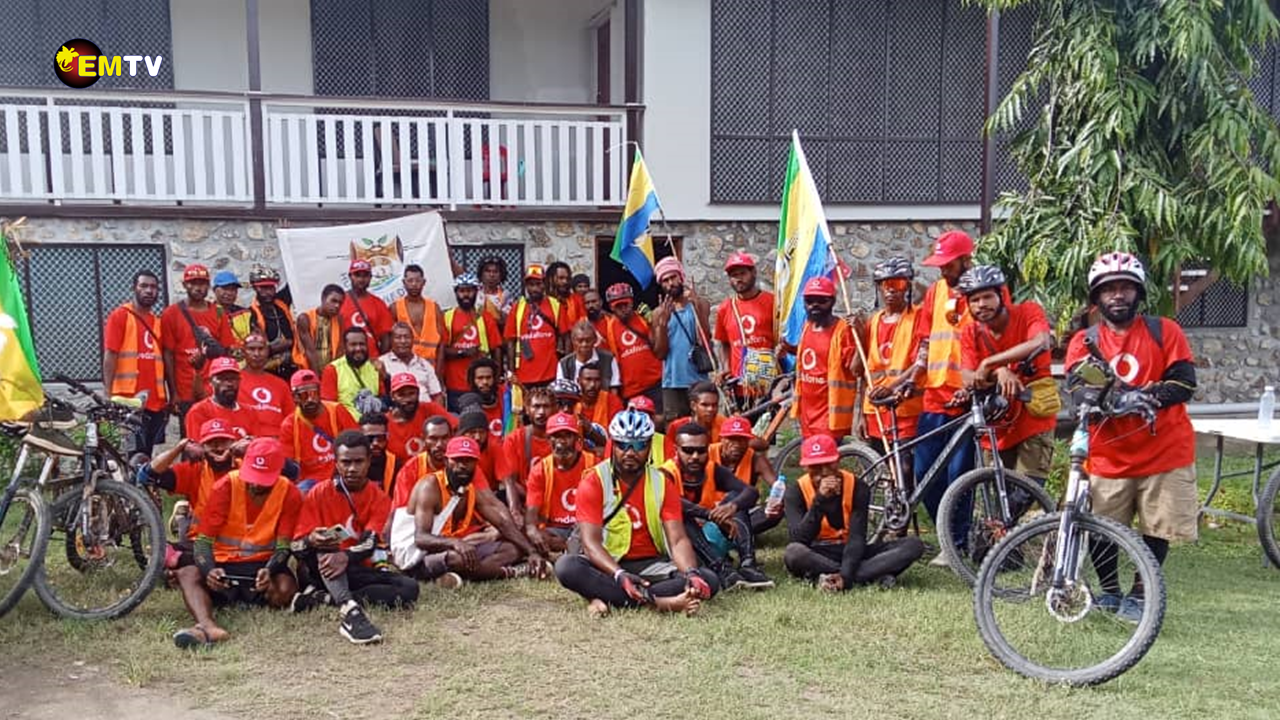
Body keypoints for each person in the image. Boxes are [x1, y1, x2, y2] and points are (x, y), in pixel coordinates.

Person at [1065, 251, 1198, 623]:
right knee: (1104, 528)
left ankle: (1141, 590)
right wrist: (1112, 399)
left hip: (1164, 450)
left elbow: (1184, 383)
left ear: (1138, 293)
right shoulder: (1084, 341)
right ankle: (1109, 590)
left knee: (1158, 527)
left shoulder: (1164, 331)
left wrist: (1149, 395)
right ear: (1097, 297)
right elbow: (1076, 389)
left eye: (1125, 287)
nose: (1118, 295)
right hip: (1108, 453)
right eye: (1109, 289)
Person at [553, 409, 719, 616]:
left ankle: (608, 597)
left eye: (639, 445)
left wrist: (692, 574)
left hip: (651, 564)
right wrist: (620, 575)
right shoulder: (594, 481)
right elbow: (591, 544)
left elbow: (677, 540)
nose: (630, 452)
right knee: (566, 567)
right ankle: (660, 603)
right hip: (608, 565)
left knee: (708, 580)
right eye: (623, 444)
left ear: (649, 446)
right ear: (613, 445)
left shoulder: (662, 483)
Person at [884, 230, 976, 566]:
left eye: (948, 264)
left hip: (968, 399)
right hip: (935, 396)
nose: (942, 270)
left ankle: (957, 542)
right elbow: (925, 342)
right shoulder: (937, 292)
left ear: (966, 259)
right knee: (924, 472)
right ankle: (947, 534)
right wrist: (912, 377)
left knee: (960, 475)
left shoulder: (983, 292)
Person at [171, 438, 302, 649]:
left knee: (286, 588)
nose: (256, 484)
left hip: (260, 568)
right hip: (223, 565)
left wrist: (270, 570)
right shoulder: (225, 486)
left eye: (264, 480)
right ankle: (207, 626)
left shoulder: (290, 493)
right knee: (187, 574)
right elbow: (203, 542)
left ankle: (244, 599)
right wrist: (209, 570)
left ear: (279, 472)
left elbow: (283, 547)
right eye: (253, 477)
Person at [291, 431, 419, 645]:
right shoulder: (318, 493)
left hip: (354, 566)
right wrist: (311, 540)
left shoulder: (378, 497)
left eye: (358, 461)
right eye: (346, 462)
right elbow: (296, 547)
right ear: (336, 463)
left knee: (409, 588)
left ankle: (321, 599)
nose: (352, 468)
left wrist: (345, 557)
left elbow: (370, 543)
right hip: (318, 568)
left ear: (369, 461)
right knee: (326, 545)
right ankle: (350, 612)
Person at [390, 436, 548, 586]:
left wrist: (531, 551)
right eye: (457, 460)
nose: (463, 466)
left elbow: (502, 524)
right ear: (446, 461)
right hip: (416, 556)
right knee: (459, 558)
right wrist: (455, 543)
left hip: (444, 548)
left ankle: (457, 574)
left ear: (477, 463)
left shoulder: (470, 489)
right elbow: (421, 539)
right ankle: (512, 572)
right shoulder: (429, 486)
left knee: (513, 549)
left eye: (469, 461)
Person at [783, 435, 924, 590]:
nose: (823, 473)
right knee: (794, 553)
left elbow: (857, 538)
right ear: (805, 468)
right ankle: (868, 575)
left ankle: (835, 577)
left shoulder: (858, 487)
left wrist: (846, 574)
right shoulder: (795, 492)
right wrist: (819, 501)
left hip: (852, 550)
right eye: (815, 467)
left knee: (913, 545)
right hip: (818, 552)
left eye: (828, 465)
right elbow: (798, 538)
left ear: (837, 462)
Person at [958, 265, 1055, 488]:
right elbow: (968, 377)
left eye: (987, 297)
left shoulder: (1028, 312)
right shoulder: (970, 332)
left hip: (1033, 419)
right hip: (996, 426)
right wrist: (1001, 371)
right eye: (974, 300)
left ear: (1001, 295)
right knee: (1001, 497)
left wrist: (990, 363)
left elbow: (1041, 341)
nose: (981, 304)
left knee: (1027, 491)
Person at [663, 422, 772, 589]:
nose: (694, 456)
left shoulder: (711, 469)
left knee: (735, 498)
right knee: (679, 515)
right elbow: (672, 502)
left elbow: (751, 492)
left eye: (701, 450)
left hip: (710, 538)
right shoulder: (665, 473)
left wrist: (732, 507)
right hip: (679, 548)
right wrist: (710, 514)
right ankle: (723, 570)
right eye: (688, 450)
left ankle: (748, 565)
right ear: (676, 449)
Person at [141, 419, 242, 562]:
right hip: (201, 544)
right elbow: (147, 475)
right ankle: (183, 519)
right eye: (212, 443)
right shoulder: (196, 469)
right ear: (202, 447)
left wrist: (252, 448)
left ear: (234, 444)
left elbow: (282, 469)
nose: (219, 448)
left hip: (240, 548)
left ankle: (182, 519)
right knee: (162, 555)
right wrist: (180, 447)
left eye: (224, 442)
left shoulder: (249, 468)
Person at [858, 257, 924, 456]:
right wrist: (860, 414)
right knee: (884, 464)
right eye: (885, 284)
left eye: (898, 283)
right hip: (875, 409)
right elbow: (864, 371)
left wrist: (891, 387)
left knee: (905, 465)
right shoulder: (873, 322)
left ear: (908, 286)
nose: (891, 289)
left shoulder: (918, 318)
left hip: (905, 407)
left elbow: (921, 361)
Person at [777, 277, 857, 440]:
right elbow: (810, 354)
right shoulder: (808, 326)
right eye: (809, 300)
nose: (815, 305)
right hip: (808, 412)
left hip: (829, 414)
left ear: (833, 302)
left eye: (821, 300)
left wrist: (860, 335)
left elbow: (855, 369)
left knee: (825, 462)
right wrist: (788, 349)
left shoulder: (842, 331)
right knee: (811, 461)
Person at [161, 263, 236, 436]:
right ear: (184, 285)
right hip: (186, 391)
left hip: (214, 390)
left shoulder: (218, 312)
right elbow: (168, 355)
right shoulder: (171, 314)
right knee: (191, 441)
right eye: (192, 283)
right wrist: (173, 393)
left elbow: (227, 350)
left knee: (219, 437)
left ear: (208, 286)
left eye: (202, 283)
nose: (197, 287)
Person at [103, 270, 169, 456]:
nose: (149, 291)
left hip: (154, 402)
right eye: (144, 286)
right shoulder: (121, 316)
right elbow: (111, 354)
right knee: (129, 455)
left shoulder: (158, 323)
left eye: (154, 287)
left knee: (145, 456)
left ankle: (141, 486)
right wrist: (108, 393)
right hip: (128, 400)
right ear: (134, 289)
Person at [650, 257, 713, 423]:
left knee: (703, 426)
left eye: (673, 277)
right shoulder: (658, 313)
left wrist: (697, 306)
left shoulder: (701, 304)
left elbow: (705, 339)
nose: (670, 283)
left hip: (698, 381)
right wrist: (662, 325)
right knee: (675, 429)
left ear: (681, 277)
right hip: (672, 382)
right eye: (665, 280)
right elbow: (660, 353)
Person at [524, 413, 596, 554]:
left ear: (576, 439)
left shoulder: (593, 464)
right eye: (556, 436)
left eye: (567, 436)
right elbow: (531, 517)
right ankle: (573, 548)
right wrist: (532, 531)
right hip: (556, 530)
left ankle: (573, 549)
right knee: (538, 536)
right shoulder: (540, 470)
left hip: (585, 525)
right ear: (548, 439)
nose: (561, 442)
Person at [280, 369, 359, 491]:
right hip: (310, 481)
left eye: (314, 394)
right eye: (304, 395)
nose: (310, 400)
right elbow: (291, 466)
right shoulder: (290, 424)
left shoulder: (337, 411)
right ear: (294, 397)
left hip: (342, 474)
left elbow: (357, 442)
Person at [713, 251, 776, 396]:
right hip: (739, 385)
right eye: (734, 276)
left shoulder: (772, 302)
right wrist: (726, 369)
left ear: (753, 273)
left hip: (768, 384)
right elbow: (723, 343)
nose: (738, 279)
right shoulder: (725, 308)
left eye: (742, 273)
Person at [442, 273, 503, 411]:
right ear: (456, 293)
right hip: (455, 384)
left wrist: (497, 377)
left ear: (476, 292)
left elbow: (496, 348)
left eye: (469, 291)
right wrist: (463, 352)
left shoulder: (485, 317)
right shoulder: (447, 317)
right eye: (462, 291)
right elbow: (442, 350)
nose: (466, 295)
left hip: (483, 385)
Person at [710, 416, 780, 534]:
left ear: (749, 441)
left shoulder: (756, 459)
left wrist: (775, 501)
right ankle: (739, 533)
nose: (736, 445)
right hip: (709, 513)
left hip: (740, 512)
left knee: (775, 513)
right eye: (731, 439)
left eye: (741, 440)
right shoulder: (707, 454)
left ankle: (738, 532)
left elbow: (777, 486)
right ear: (722, 439)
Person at [504, 265, 571, 389]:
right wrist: (511, 372)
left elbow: (567, 337)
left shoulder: (555, 306)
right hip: (523, 376)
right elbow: (510, 342)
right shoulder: (517, 308)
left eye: (538, 284)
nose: (534, 288)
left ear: (544, 284)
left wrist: (565, 370)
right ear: (526, 286)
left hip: (551, 373)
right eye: (531, 284)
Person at [601, 283, 663, 409]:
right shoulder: (609, 327)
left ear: (632, 302)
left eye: (626, 304)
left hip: (656, 382)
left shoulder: (642, 318)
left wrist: (653, 323)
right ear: (612, 308)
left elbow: (656, 343)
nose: (623, 309)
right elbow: (613, 359)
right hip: (631, 390)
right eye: (618, 306)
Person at [498, 386, 555, 520]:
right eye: (536, 406)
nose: (541, 412)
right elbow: (510, 481)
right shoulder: (514, 439)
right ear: (527, 409)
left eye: (546, 406)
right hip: (525, 500)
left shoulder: (563, 437)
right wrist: (516, 510)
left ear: (554, 409)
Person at [238, 332, 295, 440]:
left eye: (261, 349)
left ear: (268, 351)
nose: (256, 354)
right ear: (243, 352)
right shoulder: (234, 381)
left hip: (277, 441)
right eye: (251, 349)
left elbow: (290, 419)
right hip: (246, 441)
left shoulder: (280, 384)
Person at [391, 415, 454, 508]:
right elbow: (402, 511)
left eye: (445, 438)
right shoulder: (409, 470)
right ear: (423, 439)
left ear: (452, 438)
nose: (439, 444)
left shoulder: (463, 464)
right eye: (433, 438)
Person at [390, 264, 446, 368]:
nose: (414, 284)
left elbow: (441, 344)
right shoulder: (395, 308)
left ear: (423, 282)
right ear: (404, 282)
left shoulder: (434, 307)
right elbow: (390, 342)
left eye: (417, 281)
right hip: (404, 366)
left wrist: (438, 373)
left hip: (430, 366)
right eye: (410, 281)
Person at [247, 265, 297, 381]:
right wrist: (287, 343)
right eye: (263, 288)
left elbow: (295, 278)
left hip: (292, 364)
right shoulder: (251, 314)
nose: (268, 292)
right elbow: (256, 348)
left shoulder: (281, 303)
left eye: (271, 287)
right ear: (255, 288)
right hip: (269, 369)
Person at [185, 357, 255, 440]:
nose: (229, 384)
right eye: (222, 379)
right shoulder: (199, 411)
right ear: (211, 381)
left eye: (233, 378)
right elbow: (196, 450)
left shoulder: (250, 411)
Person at [321, 327, 385, 417]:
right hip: (346, 427)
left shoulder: (375, 366)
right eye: (353, 345)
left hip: (373, 426)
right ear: (345, 347)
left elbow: (383, 400)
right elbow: (329, 407)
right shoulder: (332, 369)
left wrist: (385, 376)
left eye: (362, 344)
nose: (358, 348)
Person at [385, 372, 450, 459]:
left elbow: (458, 427)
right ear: (392, 396)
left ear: (418, 393)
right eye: (401, 395)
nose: (408, 399)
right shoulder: (385, 422)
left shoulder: (430, 409)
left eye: (411, 393)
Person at [378, 322, 445, 405]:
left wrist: (437, 415)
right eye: (398, 338)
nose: (403, 341)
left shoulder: (424, 364)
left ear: (413, 339)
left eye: (407, 337)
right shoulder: (382, 363)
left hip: (426, 412)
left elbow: (437, 395)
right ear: (391, 340)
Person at [342, 259, 394, 356]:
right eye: (357, 275)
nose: (361, 279)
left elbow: (386, 338)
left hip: (371, 360)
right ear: (350, 276)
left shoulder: (379, 304)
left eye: (365, 276)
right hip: (344, 361)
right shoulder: (340, 301)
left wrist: (381, 360)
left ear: (370, 278)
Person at [557, 320, 621, 394]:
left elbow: (614, 389)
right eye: (580, 341)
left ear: (595, 340)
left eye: (588, 340)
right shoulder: (564, 364)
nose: (584, 344)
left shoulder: (609, 359)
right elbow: (562, 393)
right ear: (573, 341)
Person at [664, 380, 725, 459]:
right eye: (705, 405)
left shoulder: (724, 425)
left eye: (714, 405)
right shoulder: (676, 427)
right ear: (693, 406)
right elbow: (669, 457)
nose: (710, 409)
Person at [295, 284, 345, 372]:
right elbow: (310, 352)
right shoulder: (305, 318)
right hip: (309, 372)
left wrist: (332, 373)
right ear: (323, 298)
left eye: (340, 303)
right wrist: (317, 378)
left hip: (331, 370)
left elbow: (339, 350)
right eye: (333, 301)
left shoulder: (339, 319)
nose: (337, 306)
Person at [550, 378, 609, 451]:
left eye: (570, 404)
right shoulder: (540, 423)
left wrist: (589, 431)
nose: (566, 409)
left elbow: (607, 446)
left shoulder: (579, 422)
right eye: (560, 403)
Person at [359, 411, 401, 495]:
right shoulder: (351, 462)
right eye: (369, 439)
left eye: (380, 438)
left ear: (387, 437)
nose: (375, 443)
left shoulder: (394, 464)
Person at [465, 357, 507, 439]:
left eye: (488, 378)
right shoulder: (467, 406)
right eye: (480, 378)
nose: (485, 382)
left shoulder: (505, 394)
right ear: (472, 380)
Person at [578, 361, 623, 430]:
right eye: (588, 379)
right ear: (579, 381)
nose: (592, 384)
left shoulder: (612, 401)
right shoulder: (572, 401)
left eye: (597, 380)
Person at [212, 270, 253, 346]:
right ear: (214, 290)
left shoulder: (246, 313)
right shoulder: (208, 314)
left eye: (233, 289)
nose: (229, 293)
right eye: (225, 288)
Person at [546, 261, 585, 325]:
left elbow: (583, 325)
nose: (565, 281)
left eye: (567, 278)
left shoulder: (577, 300)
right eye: (561, 278)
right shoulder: (543, 301)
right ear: (551, 279)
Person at [477, 255, 511, 324]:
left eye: (495, 272)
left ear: (501, 275)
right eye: (487, 271)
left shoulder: (505, 295)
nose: (491, 275)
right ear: (481, 274)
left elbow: (507, 320)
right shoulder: (475, 293)